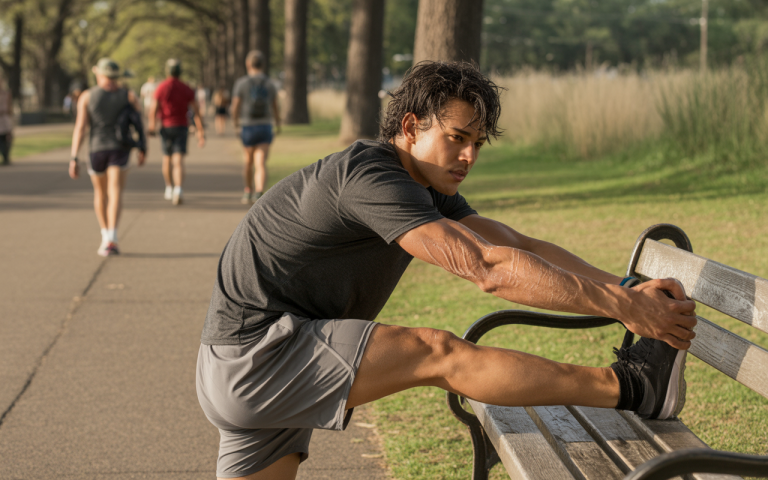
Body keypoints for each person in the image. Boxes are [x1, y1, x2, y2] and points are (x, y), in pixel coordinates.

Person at [196, 61, 697, 480]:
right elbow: (486, 267)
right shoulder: (371, 178)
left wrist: (624, 286)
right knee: (438, 353)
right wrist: (625, 308)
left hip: (240, 367)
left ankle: (635, 384)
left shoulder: (426, 184)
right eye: (457, 138)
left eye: (478, 143)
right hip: (261, 357)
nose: (468, 156)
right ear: (411, 127)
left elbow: (515, 243)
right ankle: (632, 386)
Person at [69, 57, 147, 256]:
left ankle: (105, 236)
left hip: (96, 149)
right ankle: (112, 237)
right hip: (120, 149)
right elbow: (139, 123)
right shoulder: (128, 95)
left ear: (99, 73)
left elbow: (80, 128)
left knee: (100, 194)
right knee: (115, 192)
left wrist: (74, 157)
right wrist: (142, 148)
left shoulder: (87, 96)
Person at [148, 59, 205, 205]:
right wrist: (200, 130)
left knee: (167, 158)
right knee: (178, 160)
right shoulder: (186, 88)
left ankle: (169, 187)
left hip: (166, 126)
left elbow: (154, 108)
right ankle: (178, 189)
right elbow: (196, 111)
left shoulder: (161, 87)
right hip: (181, 126)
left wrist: (152, 125)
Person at [231, 50, 281, 204]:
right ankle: (259, 193)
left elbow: (235, 107)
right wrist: (278, 123)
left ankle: (247, 191)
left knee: (248, 161)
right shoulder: (270, 83)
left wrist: (236, 124)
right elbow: (275, 106)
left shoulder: (241, 83)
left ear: (248, 64)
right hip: (265, 126)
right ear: (263, 64)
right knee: (261, 163)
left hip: (248, 126)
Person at [0, 75, 13, 166]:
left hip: (5, 119)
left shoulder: (6, 93)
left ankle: (6, 157)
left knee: (7, 138)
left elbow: (10, 107)